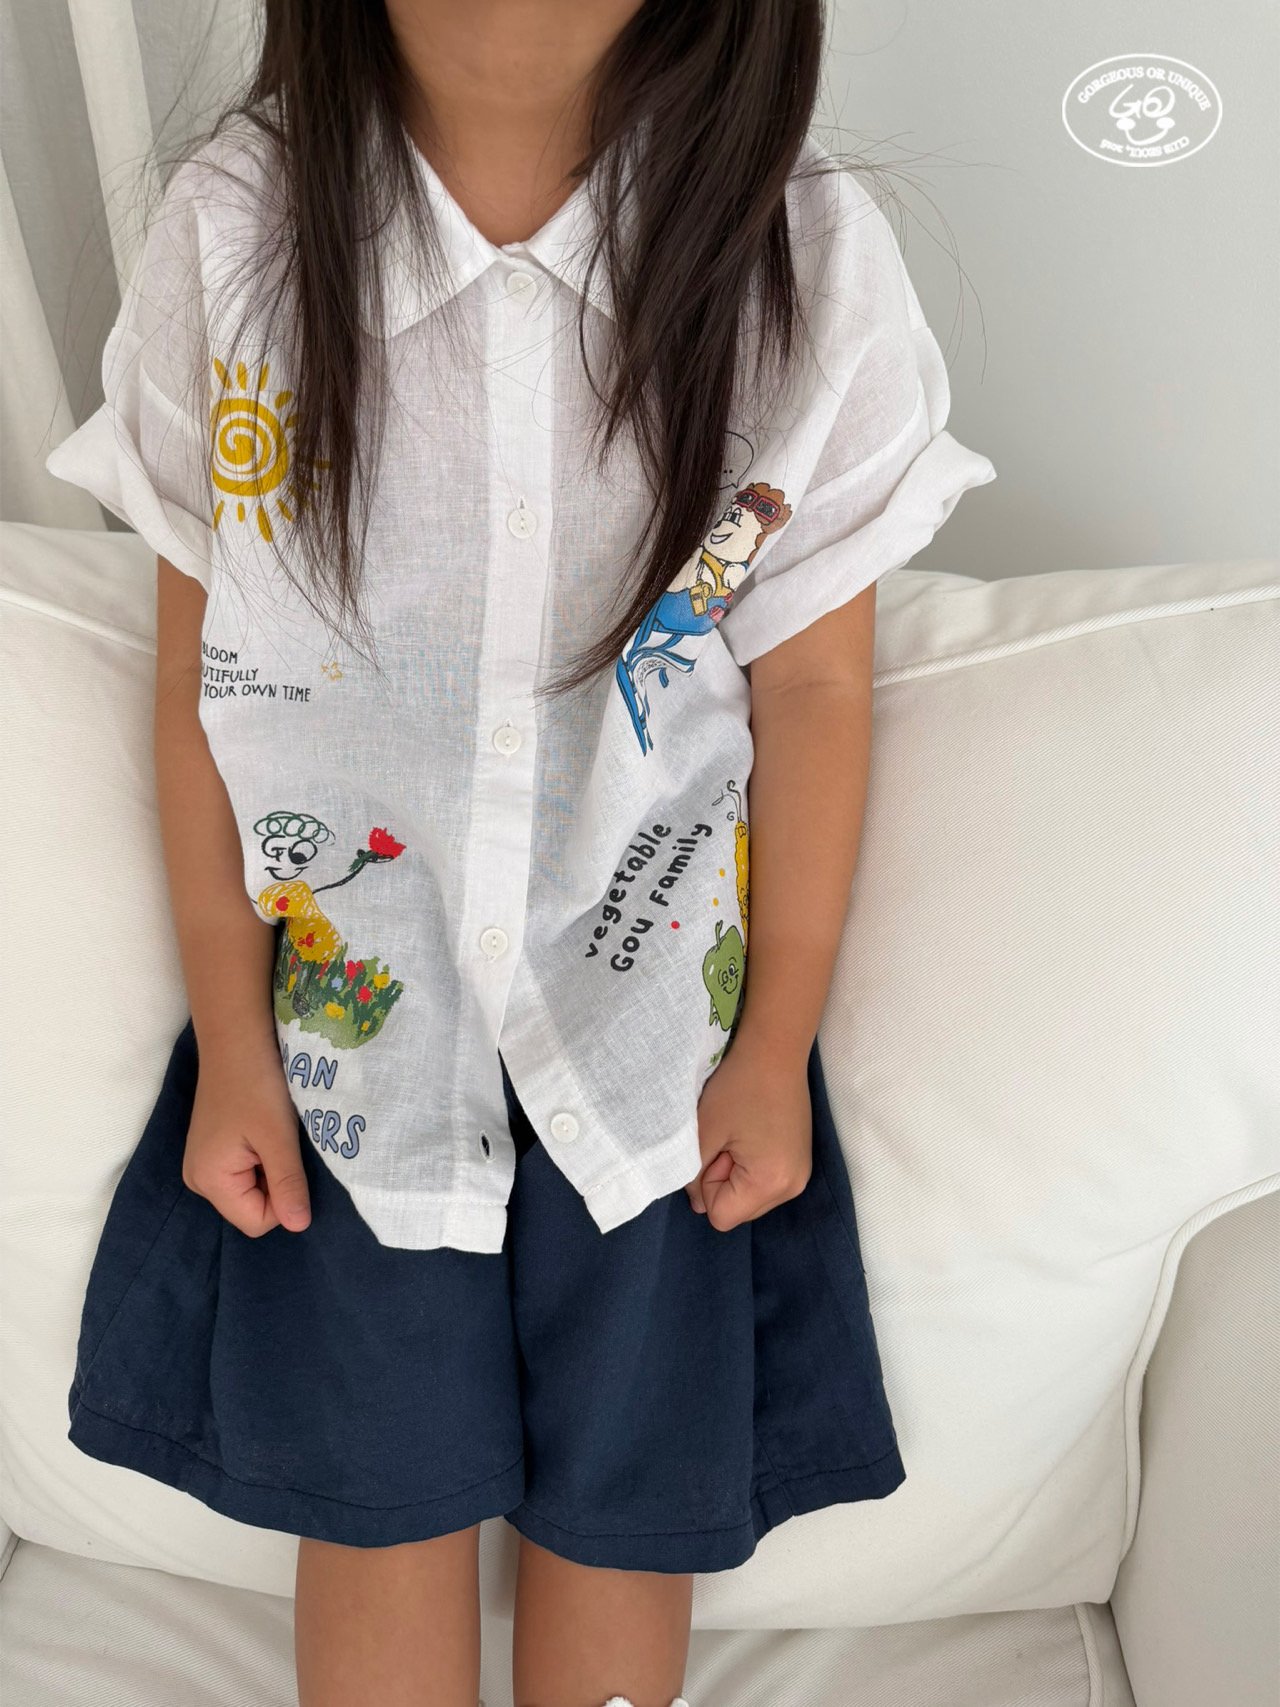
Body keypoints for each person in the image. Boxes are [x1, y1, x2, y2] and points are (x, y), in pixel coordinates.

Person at [43, 2, 997, 1704]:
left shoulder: (802, 258)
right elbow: (211, 678)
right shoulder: (235, 234)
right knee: (373, 1504)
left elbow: (814, 685)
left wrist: (774, 1044)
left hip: (652, 1049)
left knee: (627, 1519)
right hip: (348, 1044)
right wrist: (236, 1050)